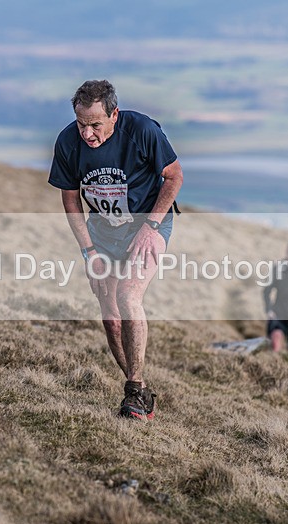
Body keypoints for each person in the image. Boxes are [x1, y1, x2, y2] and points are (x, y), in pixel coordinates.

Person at [48, 80, 183, 420]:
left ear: (114, 115)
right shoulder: (68, 142)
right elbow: (70, 198)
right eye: (81, 124)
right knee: (110, 318)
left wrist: (151, 227)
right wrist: (89, 252)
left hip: (148, 224)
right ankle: (140, 388)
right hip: (102, 232)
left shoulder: (142, 130)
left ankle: (133, 393)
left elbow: (174, 176)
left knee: (127, 297)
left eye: (95, 124)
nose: (88, 134)